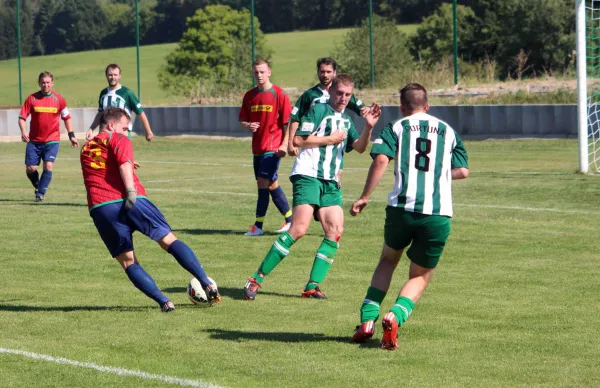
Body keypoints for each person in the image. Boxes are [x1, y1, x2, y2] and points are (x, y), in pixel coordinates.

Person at [349, 83, 469, 350]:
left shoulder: (396, 127)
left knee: (388, 261)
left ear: (403, 107)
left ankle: (368, 320)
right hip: (437, 215)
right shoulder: (448, 132)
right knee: (420, 274)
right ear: (427, 106)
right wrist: (438, 173)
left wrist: (365, 196)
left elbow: (381, 160)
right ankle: (395, 316)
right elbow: (463, 171)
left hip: (401, 210)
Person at [242, 74, 382, 301]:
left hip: (330, 181)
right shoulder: (318, 110)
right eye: (339, 93)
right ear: (331, 92)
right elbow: (298, 140)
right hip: (308, 175)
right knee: (298, 229)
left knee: (335, 232)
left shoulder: (347, 120)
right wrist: (329, 139)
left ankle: (312, 286)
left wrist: (368, 128)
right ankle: (256, 278)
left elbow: (359, 147)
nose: (343, 98)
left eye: (347, 95)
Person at [80, 107, 220, 312]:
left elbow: (105, 165)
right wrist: (130, 190)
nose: (126, 132)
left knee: (128, 262)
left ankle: (164, 302)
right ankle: (205, 282)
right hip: (132, 200)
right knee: (168, 240)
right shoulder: (119, 139)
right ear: (111, 125)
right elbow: (123, 164)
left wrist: (126, 163)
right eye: (124, 128)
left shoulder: (86, 147)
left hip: (102, 208)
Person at [287, 57, 369, 189]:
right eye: (322, 71)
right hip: (313, 143)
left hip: (337, 142)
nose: (325, 75)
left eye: (328, 71)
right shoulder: (310, 94)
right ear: (318, 72)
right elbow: (296, 117)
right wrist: (290, 142)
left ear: (334, 73)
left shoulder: (344, 93)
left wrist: (367, 112)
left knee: (335, 170)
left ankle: (335, 184)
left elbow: (362, 109)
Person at [239, 58, 293, 236]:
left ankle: (258, 226)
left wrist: (285, 144)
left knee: (262, 184)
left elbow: (288, 123)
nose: (259, 75)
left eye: (262, 72)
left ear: (269, 72)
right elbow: (243, 120)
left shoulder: (279, 94)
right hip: (257, 149)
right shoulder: (249, 96)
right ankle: (290, 220)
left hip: (273, 148)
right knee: (271, 185)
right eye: (256, 72)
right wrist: (248, 126)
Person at [19, 71, 79, 202]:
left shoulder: (59, 99)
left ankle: (40, 193)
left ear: (52, 83)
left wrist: (72, 135)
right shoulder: (32, 99)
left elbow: (67, 118)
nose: (45, 85)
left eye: (48, 82)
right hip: (34, 141)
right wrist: (23, 131)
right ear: (39, 83)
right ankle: (38, 185)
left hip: (52, 140)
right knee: (30, 168)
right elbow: (22, 117)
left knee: (48, 165)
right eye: (43, 82)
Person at [86, 64, 154, 141]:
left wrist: (148, 131)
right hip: (104, 135)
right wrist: (91, 129)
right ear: (106, 76)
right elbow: (100, 114)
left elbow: (140, 113)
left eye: (115, 75)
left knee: (121, 153)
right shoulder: (103, 93)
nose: (113, 77)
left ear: (119, 76)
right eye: (110, 75)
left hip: (122, 134)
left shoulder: (127, 93)